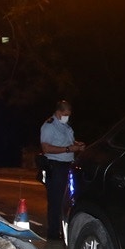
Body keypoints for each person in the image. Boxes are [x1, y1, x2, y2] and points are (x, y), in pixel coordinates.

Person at [39, 100, 84, 238]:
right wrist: (69, 149)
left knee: (68, 200)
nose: (67, 117)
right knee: (56, 201)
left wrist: (77, 145)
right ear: (58, 113)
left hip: (68, 165)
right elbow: (45, 148)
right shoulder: (49, 126)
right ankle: (53, 234)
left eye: (69, 115)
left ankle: (64, 232)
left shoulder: (66, 126)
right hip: (55, 166)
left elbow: (69, 142)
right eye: (65, 114)